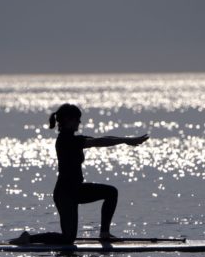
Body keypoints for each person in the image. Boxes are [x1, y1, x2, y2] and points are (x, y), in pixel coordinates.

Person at [9, 103, 149, 245]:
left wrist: (126, 139)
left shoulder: (73, 138)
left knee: (111, 192)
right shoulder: (66, 140)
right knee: (68, 239)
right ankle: (28, 238)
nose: (79, 122)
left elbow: (102, 138)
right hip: (65, 194)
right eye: (77, 119)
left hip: (75, 190)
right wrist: (125, 140)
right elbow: (98, 142)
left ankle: (105, 233)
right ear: (68, 120)